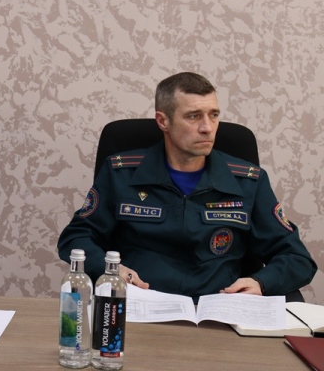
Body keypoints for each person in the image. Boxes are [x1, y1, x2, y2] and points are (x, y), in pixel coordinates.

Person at [57, 72, 316, 299]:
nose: (207, 128)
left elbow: (297, 258)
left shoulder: (248, 181)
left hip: (218, 310)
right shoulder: (121, 173)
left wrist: (261, 283)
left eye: (214, 115)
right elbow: (76, 238)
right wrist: (111, 270)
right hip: (141, 306)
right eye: (193, 116)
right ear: (163, 121)